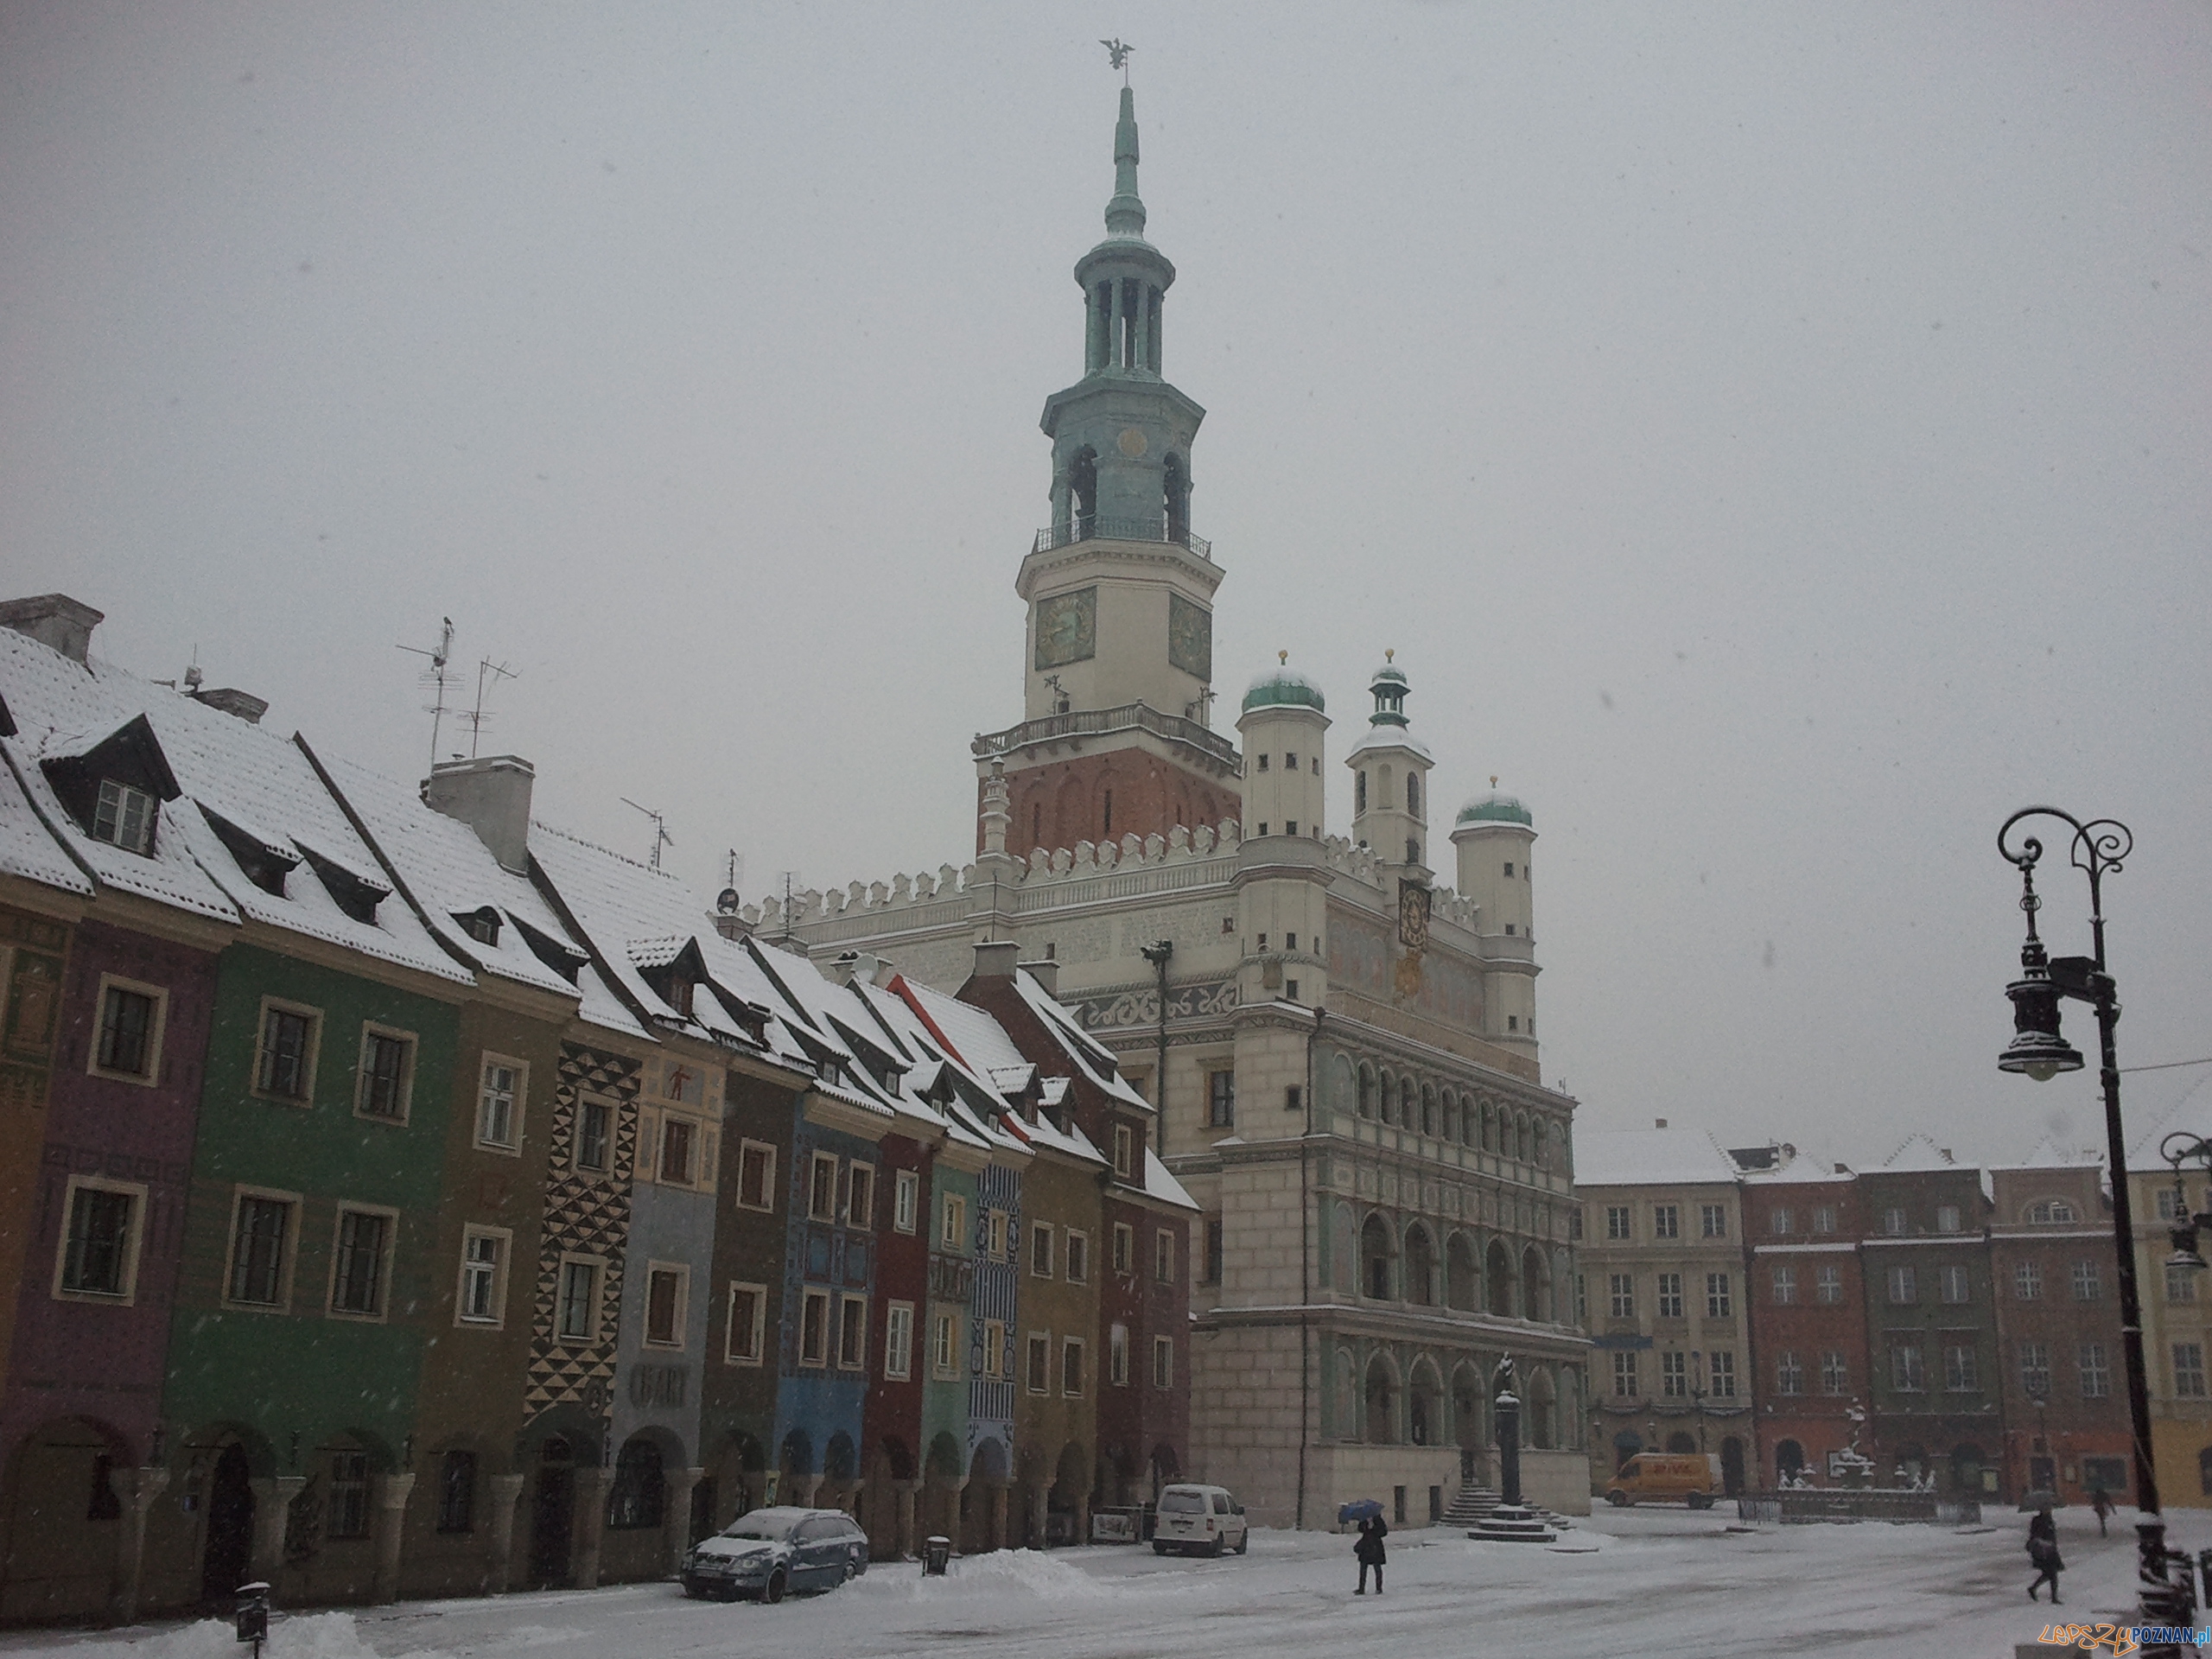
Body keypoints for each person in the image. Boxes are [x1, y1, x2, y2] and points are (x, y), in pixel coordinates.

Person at [2027, 1508, 2063, 1605]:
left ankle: (2033, 1588)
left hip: (2051, 1550)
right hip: (2042, 1551)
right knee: (2052, 1574)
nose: (2049, 1510)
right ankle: (2054, 1598)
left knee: (2049, 1574)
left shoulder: (2049, 1520)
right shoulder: (2037, 1520)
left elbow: (2052, 1535)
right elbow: (2035, 1534)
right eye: (2047, 1509)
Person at [1354, 1510, 1389, 1596]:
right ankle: (1361, 1588)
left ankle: (1379, 1588)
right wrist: (1366, 1526)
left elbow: (1384, 1532)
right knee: (1363, 1568)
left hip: (1375, 1546)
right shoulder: (1364, 1519)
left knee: (1377, 1568)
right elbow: (1360, 1529)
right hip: (1366, 1545)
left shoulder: (1378, 1520)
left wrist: (1374, 1528)